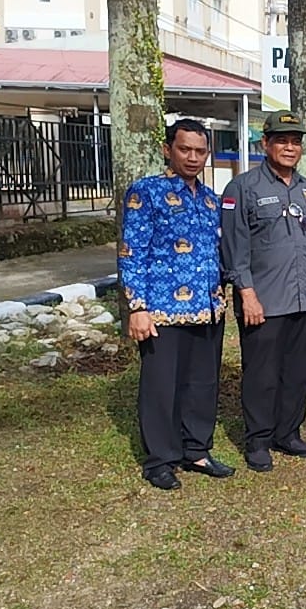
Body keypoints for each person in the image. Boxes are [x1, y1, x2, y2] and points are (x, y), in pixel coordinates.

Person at [119, 118, 233, 490]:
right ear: (168, 149)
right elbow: (131, 253)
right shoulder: (145, 193)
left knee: (202, 383)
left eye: (200, 151)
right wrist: (137, 307)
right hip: (161, 311)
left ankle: (196, 449)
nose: (193, 157)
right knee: (161, 387)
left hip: (207, 308)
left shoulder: (210, 199)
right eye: (185, 149)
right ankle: (161, 460)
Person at [220, 111, 306, 471]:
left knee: (298, 371)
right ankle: (258, 440)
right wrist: (246, 293)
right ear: (265, 144)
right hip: (264, 299)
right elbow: (234, 246)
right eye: (281, 140)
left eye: (295, 141)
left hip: (303, 296)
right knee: (262, 373)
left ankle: (288, 432)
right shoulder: (243, 188)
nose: (289, 147)